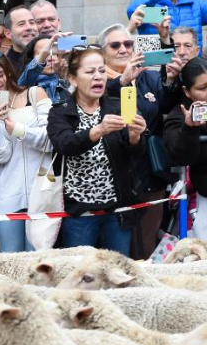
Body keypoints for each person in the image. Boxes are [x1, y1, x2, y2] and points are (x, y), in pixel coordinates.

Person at [46, 46, 147, 255]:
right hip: (79, 213)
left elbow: (137, 154)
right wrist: (98, 130)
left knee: (118, 271)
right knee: (80, 274)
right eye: (90, 72)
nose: (98, 77)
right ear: (73, 79)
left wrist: (135, 137)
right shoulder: (60, 111)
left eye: (101, 71)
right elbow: (65, 144)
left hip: (117, 209)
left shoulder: (117, 106)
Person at [97, 23, 179, 258]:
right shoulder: (97, 79)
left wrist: (171, 77)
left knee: (144, 248)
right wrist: (121, 82)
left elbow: (167, 100)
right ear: (103, 52)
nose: (123, 49)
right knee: (115, 254)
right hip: (114, 179)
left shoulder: (148, 77)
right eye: (115, 45)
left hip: (150, 176)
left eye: (128, 44)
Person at [0, 49, 52, 251]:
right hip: (7, 194)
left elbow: (49, 140)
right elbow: (2, 155)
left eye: (0, 74)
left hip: (41, 192)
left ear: (8, 71)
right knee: (10, 261)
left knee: (37, 262)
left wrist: (18, 130)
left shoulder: (35, 93)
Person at [163, 57, 207, 239]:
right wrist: (190, 127)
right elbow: (180, 155)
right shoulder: (178, 116)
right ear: (187, 92)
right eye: (203, 88)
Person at [18, 34, 70, 104]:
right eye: (43, 54)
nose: (50, 58)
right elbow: (23, 84)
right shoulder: (27, 80)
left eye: (53, 52)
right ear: (31, 59)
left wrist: (63, 79)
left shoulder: (71, 79)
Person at [3, 6, 39, 70]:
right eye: (21, 24)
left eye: (32, 22)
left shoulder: (50, 59)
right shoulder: (2, 66)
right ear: (8, 34)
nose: (29, 27)